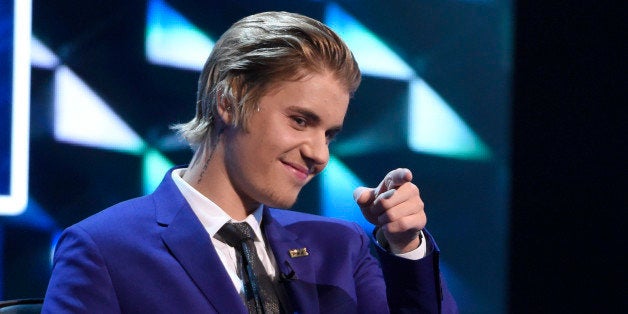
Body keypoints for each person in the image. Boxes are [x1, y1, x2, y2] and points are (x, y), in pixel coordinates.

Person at [42, 11, 457, 313]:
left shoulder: (341, 247)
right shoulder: (104, 249)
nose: (320, 154)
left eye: (329, 134)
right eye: (300, 120)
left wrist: (404, 248)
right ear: (230, 100)